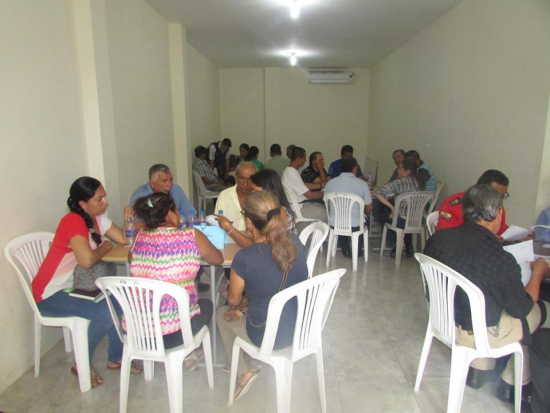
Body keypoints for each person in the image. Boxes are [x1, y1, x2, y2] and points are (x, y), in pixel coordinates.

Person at [424, 184, 550, 404]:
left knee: (488, 299)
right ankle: (512, 382)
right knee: (542, 309)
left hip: (444, 319)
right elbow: (521, 309)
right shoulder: (499, 259)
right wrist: (537, 275)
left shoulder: (438, 238)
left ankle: (479, 369)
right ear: (499, 214)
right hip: (478, 332)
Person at [32, 177, 140, 388]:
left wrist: (129, 218)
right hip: (49, 294)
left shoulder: (97, 218)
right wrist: (105, 247)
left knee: (121, 302)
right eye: (99, 199)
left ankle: (116, 357)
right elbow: (87, 260)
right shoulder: (73, 221)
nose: (105, 202)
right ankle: (81, 364)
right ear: (82, 203)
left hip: (74, 287)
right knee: (105, 314)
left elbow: (124, 239)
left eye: (104, 197)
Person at [216, 191, 308, 401]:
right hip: (300, 329)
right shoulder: (296, 241)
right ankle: (252, 364)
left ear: (248, 221)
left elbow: (232, 301)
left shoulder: (245, 258)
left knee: (222, 313)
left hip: (268, 336)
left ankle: (243, 372)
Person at [131, 192, 223, 370]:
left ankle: (188, 354)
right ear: (170, 214)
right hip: (174, 334)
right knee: (207, 304)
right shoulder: (191, 235)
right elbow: (217, 259)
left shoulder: (140, 236)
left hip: (139, 332)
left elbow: (131, 258)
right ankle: (190, 352)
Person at [216, 169, 297, 248]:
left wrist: (228, 227)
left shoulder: (278, 212)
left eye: (255, 191)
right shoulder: (270, 210)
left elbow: (255, 246)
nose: (252, 194)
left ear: (267, 190)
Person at [373, 158, 425, 257]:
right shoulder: (419, 182)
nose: (397, 170)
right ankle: (408, 243)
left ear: (407, 172)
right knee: (405, 217)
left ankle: (395, 243)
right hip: (418, 220)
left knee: (382, 216)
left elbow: (378, 192)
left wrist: (392, 207)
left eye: (400, 168)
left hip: (402, 220)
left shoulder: (398, 183)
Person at [436, 170, 510, 237]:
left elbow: (501, 229)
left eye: (502, 196)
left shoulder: (495, 206)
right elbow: (446, 235)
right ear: (481, 190)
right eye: (497, 195)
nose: (499, 199)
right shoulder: (451, 206)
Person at [325, 157, 373, 258]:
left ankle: (345, 249)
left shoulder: (330, 183)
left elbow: (328, 205)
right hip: (355, 224)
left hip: (335, 223)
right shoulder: (362, 184)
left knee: (340, 220)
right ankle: (357, 250)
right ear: (355, 168)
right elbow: (369, 207)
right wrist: (364, 213)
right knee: (365, 220)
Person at [126, 164, 194, 223]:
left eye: (171, 180)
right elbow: (135, 225)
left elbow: (191, 216)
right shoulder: (141, 196)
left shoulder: (176, 189)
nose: (169, 185)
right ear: (152, 184)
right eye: (164, 181)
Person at [282, 147, 328, 223]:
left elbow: (303, 185)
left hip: (301, 205)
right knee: (329, 213)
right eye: (304, 158)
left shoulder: (289, 171)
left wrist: (321, 185)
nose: (305, 160)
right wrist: (325, 192)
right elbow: (310, 196)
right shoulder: (292, 173)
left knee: (325, 207)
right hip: (300, 209)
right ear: (298, 159)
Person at [215, 162, 257, 235]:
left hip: (252, 240)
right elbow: (216, 224)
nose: (245, 184)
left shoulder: (259, 198)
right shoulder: (224, 195)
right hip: (227, 238)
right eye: (242, 178)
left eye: (250, 179)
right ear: (236, 177)